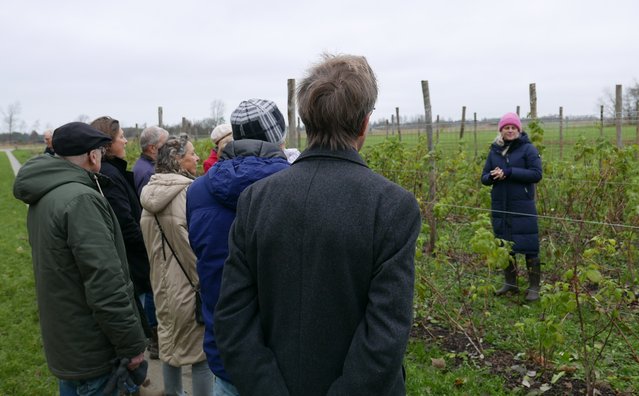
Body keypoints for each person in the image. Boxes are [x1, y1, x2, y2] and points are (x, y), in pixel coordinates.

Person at [214, 54, 422, 396]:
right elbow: (386, 332)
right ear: (364, 125)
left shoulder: (255, 200)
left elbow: (233, 319)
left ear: (305, 121)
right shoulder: (392, 206)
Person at [13, 122, 147, 396]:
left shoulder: (48, 193)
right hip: (94, 351)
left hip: (67, 342)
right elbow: (105, 283)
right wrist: (132, 346)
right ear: (91, 155)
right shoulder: (81, 200)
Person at [186, 100, 290, 395]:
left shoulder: (197, 191)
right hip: (279, 352)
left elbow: (200, 250)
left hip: (224, 346)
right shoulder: (294, 186)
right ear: (278, 138)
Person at [139, 134, 214, 396]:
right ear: (177, 160)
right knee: (201, 357)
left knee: (169, 348)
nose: (197, 157)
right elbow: (194, 246)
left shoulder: (148, 194)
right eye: (191, 153)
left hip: (160, 285)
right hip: (189, 289)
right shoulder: (189, 194)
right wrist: (205, 283)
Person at [90, 116, 154, 338]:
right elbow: (125, 223)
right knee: (138, 318)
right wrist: (148, 246)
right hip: (133, 259)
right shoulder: (110, 175)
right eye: (122, 137)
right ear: (107, 144)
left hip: (133, 256)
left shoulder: (110, 171)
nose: (126, 141)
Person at [481, 112, 543, 301]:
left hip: (522, 204)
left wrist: (509, 172)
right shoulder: (494, 151)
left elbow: (536, 174)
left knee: (530, 245)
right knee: (505, 243)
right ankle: (511, 283)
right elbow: (484, 178)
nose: (510, 131)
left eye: (513, 128)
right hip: (501, 204)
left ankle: (534, 287)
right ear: (501, 131)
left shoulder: (528, 149)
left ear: (519, 130)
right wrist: (492, 176)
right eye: (506, 128)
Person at [131, 124, 169, 359]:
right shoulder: (148, 173)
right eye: (166, 145)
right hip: (153, 238)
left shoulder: (144, 167)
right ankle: (155, 340)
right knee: (154, 290)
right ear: (154, 148)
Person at [133, 125, 169, 196]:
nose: (169, 148)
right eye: (165, 144)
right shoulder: (149, 173)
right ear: (152, 148)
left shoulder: (142, 164)